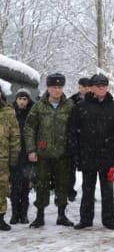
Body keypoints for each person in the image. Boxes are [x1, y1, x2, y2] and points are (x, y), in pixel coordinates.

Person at [69, 74, 114, 230]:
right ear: (92, 88)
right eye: (98, 85)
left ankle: (108, 220)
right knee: (87, 189)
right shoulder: (81, 107)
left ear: (107, 87)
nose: (101, 88)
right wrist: (76, 154)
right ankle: (86, 219)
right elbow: (73, 132)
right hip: (87, 155)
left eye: (104, 85)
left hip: (108, 156)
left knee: (107, 191)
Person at [24, 73, 75, 228]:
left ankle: (61, 215)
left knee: (62, 185)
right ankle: (40, 216)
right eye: (54, 87)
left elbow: (75, 128)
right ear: (48, 88)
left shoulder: (70, 106)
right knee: (41, 185)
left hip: (63, 154)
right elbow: (29, 129)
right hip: (43, 154)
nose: (57, 90)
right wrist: (31, 150)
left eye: (59, 87)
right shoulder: (39, 106)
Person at [9, 88, 34, 225]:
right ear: (16, 99)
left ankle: (23, 214)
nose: (22, 102)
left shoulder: (33, 112)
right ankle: (14, 213)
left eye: (25, 99)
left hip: (28, 155)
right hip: (14, 154)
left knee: (25, 187)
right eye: (20, 99)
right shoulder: (11, 112)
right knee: (14, 186)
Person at [68, 77, 91, 202]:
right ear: (80, 87)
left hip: (89, 138)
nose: (86, 89)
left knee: (89, 169)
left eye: (88, 87)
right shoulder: (72, 100)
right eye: (84, 87)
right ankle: (70, 190)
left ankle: (88, 192)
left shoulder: (94, 100)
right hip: (76, 136)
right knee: (71, 167)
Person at [0, 86, 20, 230]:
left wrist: (14, 155)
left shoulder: (8, 111)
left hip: (3, 157)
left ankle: (0, 218)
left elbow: (15, 135)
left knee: (2, 188)